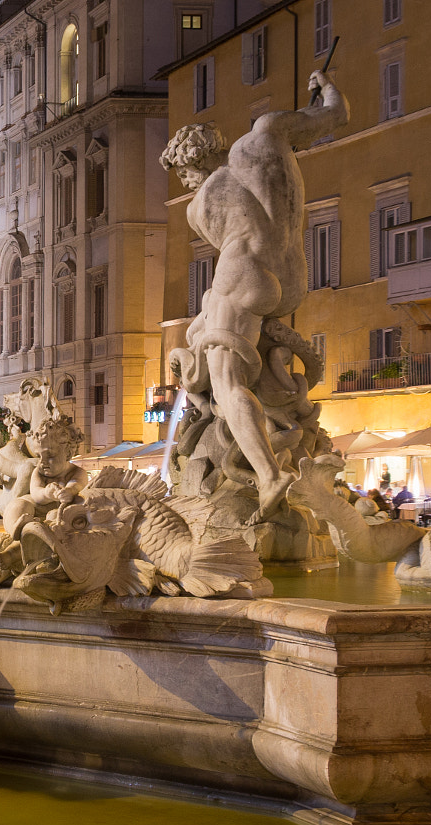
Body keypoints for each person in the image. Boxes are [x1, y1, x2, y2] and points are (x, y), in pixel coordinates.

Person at [161, 69, 349, 518]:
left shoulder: (199, 204)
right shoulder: (265, 138)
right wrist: (323, 88)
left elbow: (229, 258)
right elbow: (336, 114)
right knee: (216, 335)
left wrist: (205, 325)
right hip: (291, 276)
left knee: (226, 381)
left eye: (183, 172)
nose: (185, 181)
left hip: (243, 273)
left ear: (193, 162)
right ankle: (278, 445)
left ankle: (269, 475)